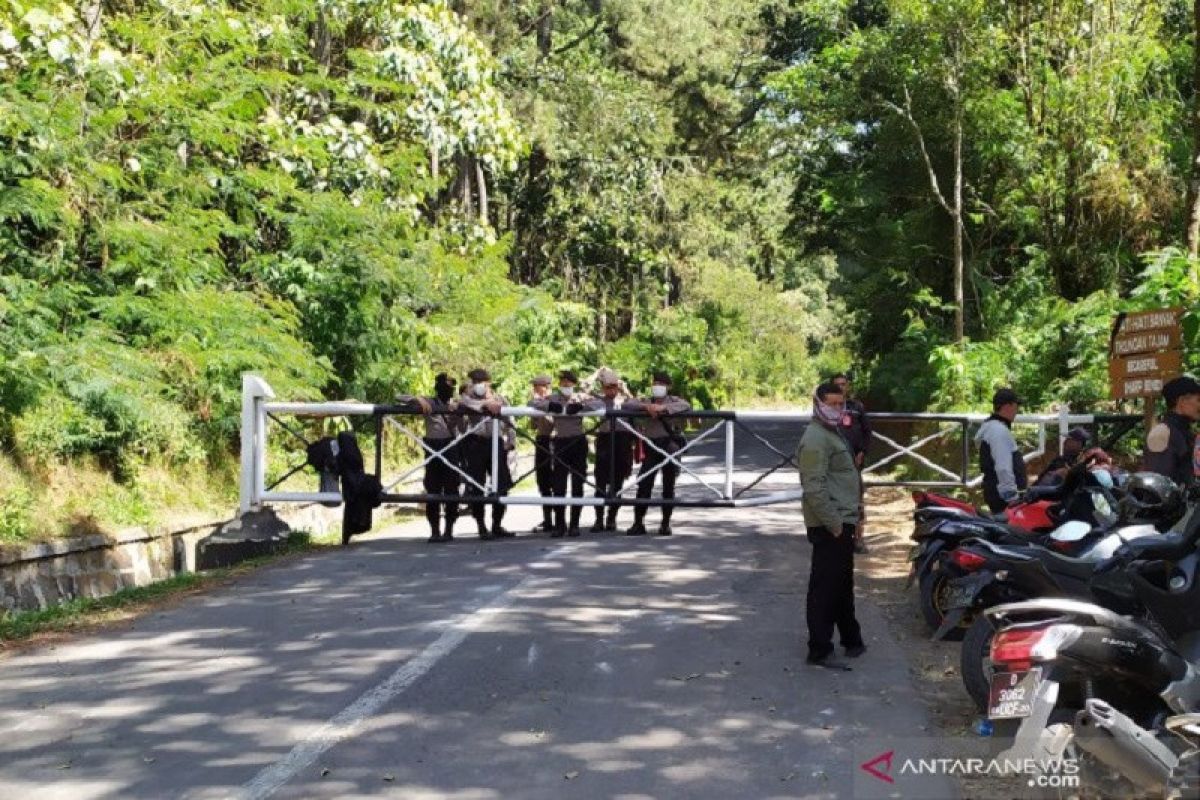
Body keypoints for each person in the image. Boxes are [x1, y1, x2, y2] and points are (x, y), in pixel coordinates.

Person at [798, 381, 865, 670]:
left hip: (842, 518)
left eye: (841, 404)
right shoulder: (815, 438)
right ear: (818, 404)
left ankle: (852, 639)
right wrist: (835, 524)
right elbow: (813, 487)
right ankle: (819, 648)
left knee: (841, 583)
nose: (837, 409)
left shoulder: (831, 432)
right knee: (825, 587)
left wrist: (855, 515)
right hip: (830, 522)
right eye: (832, 404)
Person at [530, 370, 602, 537]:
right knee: (558, 485)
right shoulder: (554, 398)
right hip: (560, 442)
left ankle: (574, 524)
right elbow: (532, 403)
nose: (566, 386)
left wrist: (581, 407)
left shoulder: (580, 397)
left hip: (578, 442)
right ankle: (559, 525)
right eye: (563, 383)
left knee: (578, 484)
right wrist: (549, 406)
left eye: (569, 384)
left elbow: (600, 405)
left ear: (574, 385)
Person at [396, 373, 463, 543]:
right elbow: (400, 397)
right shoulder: (430, 402)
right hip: (433, 448)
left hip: (451, 447)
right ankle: (434, 531)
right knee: (432, 490)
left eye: (449, 388)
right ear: (436, 388)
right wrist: (419, 400)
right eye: (443, 387)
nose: (446, 391)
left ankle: (449, 530)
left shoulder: (456, 405)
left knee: (451, 490)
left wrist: (460, 411)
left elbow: (464, 426)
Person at [624, 372, 692, 537]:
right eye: (655, 383)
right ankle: (638, 523)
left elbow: (686, 405)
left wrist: (663, 408)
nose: (657, 386)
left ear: (668, 387)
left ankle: (665, 524)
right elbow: (627, 405)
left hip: (669, 445)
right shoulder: (647, 400)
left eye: (661, 384)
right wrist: (646, 407)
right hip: (651, 445)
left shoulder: (675, 401)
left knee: (668, 485)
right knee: (644, 484)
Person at [457, 368, 515, 539]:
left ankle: (497, 524)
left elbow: (510, 421)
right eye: (474, 382)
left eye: (481, 381)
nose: (477, 385)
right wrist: (484, 405)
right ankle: (481, 526)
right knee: (477, 484)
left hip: (496, 442)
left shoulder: (500, 399)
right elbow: (464, 414)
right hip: (476, 443)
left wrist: (510, 441)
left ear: (489, 382)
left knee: (502, 483)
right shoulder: (467, 399)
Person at [591, 368, 635, 532]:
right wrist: (594, 375)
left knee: (617, 484)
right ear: (602, 387)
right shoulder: (599, 401)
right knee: (600, 482)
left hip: (622, 442)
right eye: (607, 387)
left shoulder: (626, 401)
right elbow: (584, 396)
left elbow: (638, 404)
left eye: (614, 386)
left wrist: (627, 391)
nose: (610, 390)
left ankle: (611, 518)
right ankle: (598, 519)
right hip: (605, 440)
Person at [832, 373, 872, 554]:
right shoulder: (826, 408)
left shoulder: (857, 407)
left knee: (857, 502)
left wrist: (862, 451)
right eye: (837, 385)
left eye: (843, 384)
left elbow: (867, 432)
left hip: (854, 463)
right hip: (833, 465)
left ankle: (859, 539)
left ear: (848, 386)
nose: (841, 387)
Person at [975, 388, 1027, 514]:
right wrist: (1012, 500)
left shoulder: (990, 428)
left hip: (995, 493)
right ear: (1008, 406)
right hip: (1003, 500)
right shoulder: (998, 431)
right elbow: (1003, 468)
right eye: (1016, 405)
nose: (1017, 410)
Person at [1143, 375, 1200, 489]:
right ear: (1182, 401)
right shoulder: (1162, 432)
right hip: (1172, 505)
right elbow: (1158, 486)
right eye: (1199, 400)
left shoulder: (1186, 431)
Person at [528, 374, 556, 534]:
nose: (535, 389)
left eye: (537, 386)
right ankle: (547, 519)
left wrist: (544, 408)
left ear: (545, 387)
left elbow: (553, 422)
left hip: (554, 441)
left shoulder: (555, 400)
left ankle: (558, 518)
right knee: (543, 481)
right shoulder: (535, 402)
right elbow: (533, 425)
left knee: (556, 481)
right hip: (541, 440)